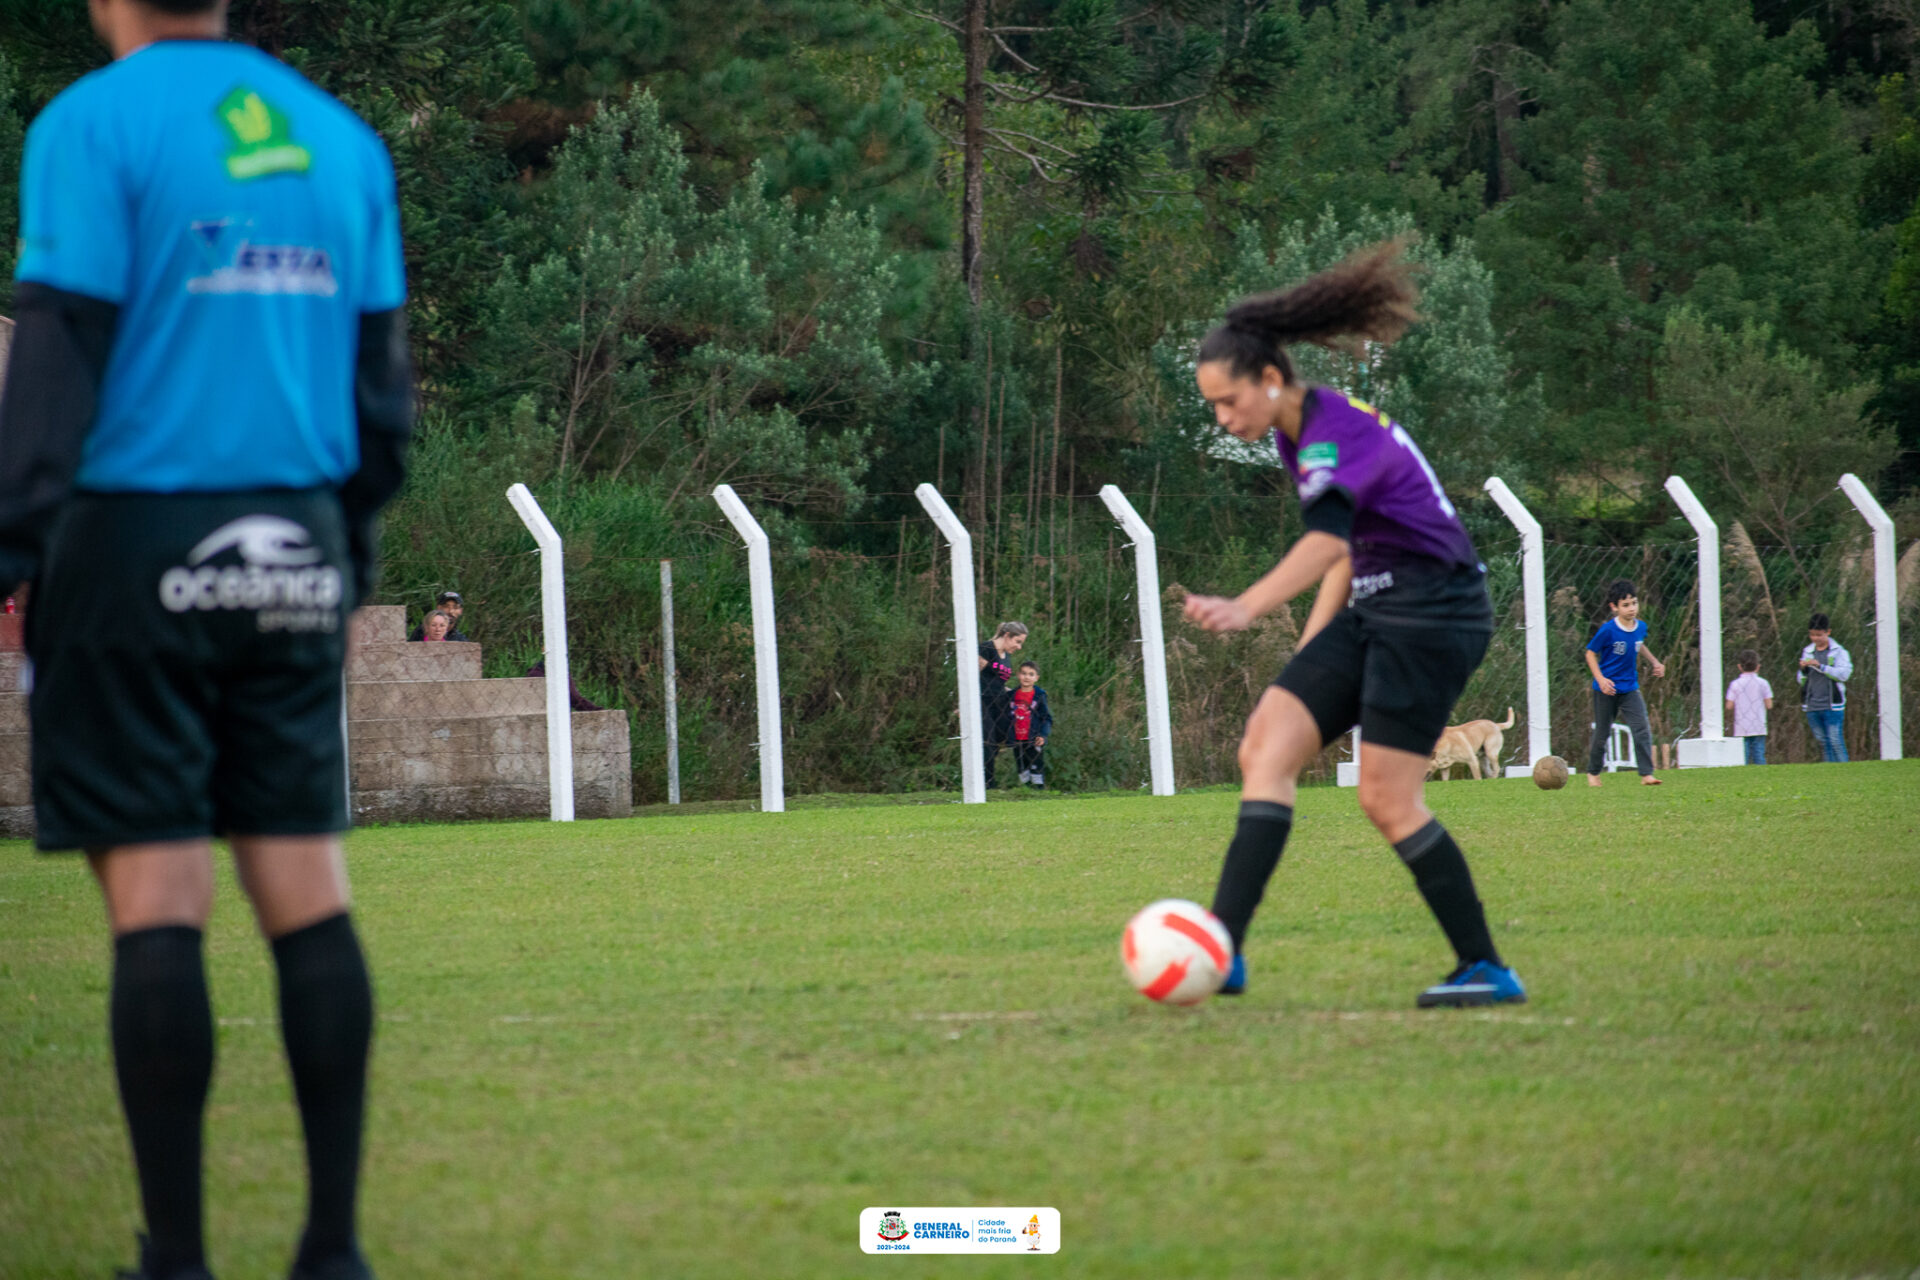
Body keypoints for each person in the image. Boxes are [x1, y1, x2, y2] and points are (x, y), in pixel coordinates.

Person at [0, 2, 412, 1277]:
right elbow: (381, 398)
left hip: (134, 543)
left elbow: (60, 356)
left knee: (159, 895)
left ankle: (175, 1256)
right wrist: (339, 554)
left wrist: (18, 554)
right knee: (304, 888)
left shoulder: (89, 126)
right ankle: (331, 1247)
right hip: (294, 539)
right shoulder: (342, 141)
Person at [1181, 238, 1524, 1008]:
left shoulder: (1337, 430)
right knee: (1266, 743)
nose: (1223, 416)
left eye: (1229, 400)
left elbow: (1328, 540)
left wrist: (1246, 606)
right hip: (1378, 606)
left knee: (1387, 798)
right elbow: (1346, 559)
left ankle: (1487, 968)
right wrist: (1306, 667)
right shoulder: (1292, 430)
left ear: (1270, 379)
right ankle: (1223, 949)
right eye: (1213, 405)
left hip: (1436, 612)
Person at [1581, 579, 1666, 787]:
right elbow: (1590, 654)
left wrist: (1655, 662)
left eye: (1634, 603)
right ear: (1614, 607)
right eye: (1626, 605)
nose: (1631, 609)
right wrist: (1600, 680)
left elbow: (1639, 645)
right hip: (1606, 690)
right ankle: (1593, 773)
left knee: (1642, 728)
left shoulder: (1640, 627)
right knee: (1602, 733)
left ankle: (1646, 774)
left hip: (1630, 688)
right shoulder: (1608, 630)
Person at [1797, 612, 1852, 762]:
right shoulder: (1807, 652)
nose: (1815, 639)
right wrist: (1803, 670)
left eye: (1819, 635)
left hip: (1832, 704)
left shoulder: (1839, 652)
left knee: (1835, 740)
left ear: (1828, 632)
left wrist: (1821, 666)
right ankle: (1830, 770)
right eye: (1812, 635)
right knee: (1823, 741)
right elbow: (1801, 680)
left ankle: (1844, 770)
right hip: (1813, 704)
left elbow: (1844, 674)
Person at [978, 621, 1026, 788]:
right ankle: (987, 784)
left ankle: (1027, 781)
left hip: (1000, 703)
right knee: (988, 743)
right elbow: (972, 676)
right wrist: (961, 704)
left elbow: (997, 681)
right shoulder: (986, 648)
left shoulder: (1007, 655)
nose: (1019, 647)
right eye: (1017, 641)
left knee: (1012, 737)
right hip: (983, 702)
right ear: (1007, 636)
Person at [1008, 660, 1053, 789]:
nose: (1027, 677)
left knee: (1036, 765)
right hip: (1017, 739)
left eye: (1031, 674)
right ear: (1018, 675)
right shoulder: (1011, 695)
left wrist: (1043, 735)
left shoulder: (1039, 696)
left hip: (1033, 738)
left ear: (1036, 678)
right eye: (1023, 673)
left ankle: (1039, 791)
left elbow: (1046, 718)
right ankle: (1025, 791)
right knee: (1021, 766)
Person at [1725, 649, 1773, 765]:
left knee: (1743, 757)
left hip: (1742, 726)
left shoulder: (1735, 684)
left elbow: (1729, 706)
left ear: (1739, 667)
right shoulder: (1763, 683)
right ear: (1758, 666)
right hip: (1759, 725)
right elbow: (1769, 705)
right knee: (1759, 755)